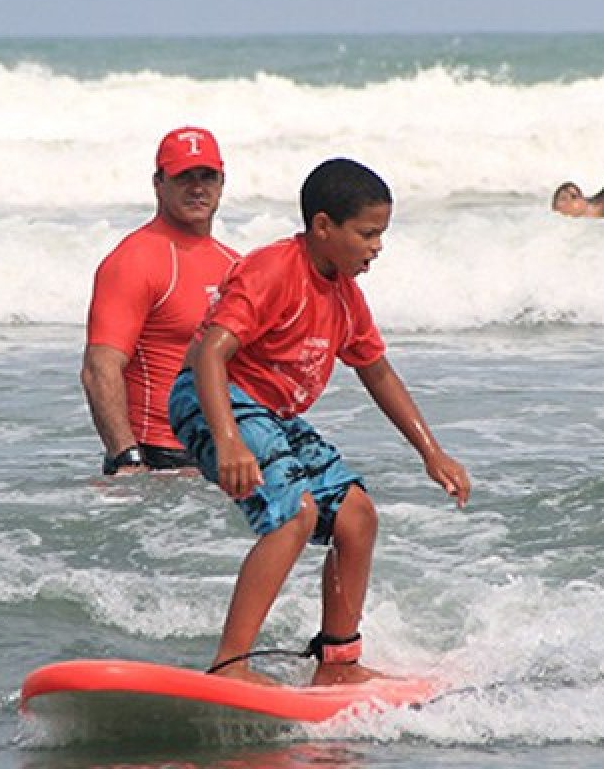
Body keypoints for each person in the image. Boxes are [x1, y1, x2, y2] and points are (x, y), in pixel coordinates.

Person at [168, 157, 471, 687]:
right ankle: (230, 663)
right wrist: (228, 439)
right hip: (214, 398)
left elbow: (377, 373)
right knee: (295, 514)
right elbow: (211, 354)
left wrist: (432, 452)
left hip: (273, 414)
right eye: (368, 233)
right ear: (324, 226)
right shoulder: (273, 271)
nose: (378, 246)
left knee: (356, 514)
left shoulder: (347, 298)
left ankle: (338, 662)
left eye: (382, 234)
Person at [81, 126, 240, 476]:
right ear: (158, 183)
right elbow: (99, 367)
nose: (198, 188)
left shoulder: (234, 264)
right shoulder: (135, 259)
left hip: (224, 457)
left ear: (222, 183)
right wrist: (125, 456)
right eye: (184, 177)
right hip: (158, 461)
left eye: (207, 176)